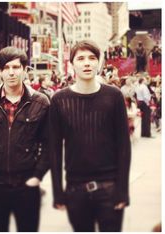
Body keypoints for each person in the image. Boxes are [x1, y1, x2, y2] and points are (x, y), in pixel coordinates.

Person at [49, 40, 131, 232]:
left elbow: (123, 146)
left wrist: (122, 191)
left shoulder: (114, 96)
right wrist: (57, 192)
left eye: (92, 58)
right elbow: (53, 149)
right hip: (75, 190)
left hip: (110, 188)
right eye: (81, 58)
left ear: (99, 63)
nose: (87, 63)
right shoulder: (59, 100)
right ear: (72, 64)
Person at [0, 46, 50, 232]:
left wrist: (37, 176)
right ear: (0, 72)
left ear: (24, 69)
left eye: (16, 67)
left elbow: (48, 145)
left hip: (26, 185)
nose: (11, 73)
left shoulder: (41, 102)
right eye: (6, 68)